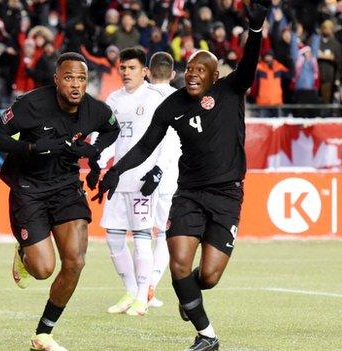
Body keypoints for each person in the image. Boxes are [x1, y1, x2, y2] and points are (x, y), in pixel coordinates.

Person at [93, 1, 271, 350]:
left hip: (226, 195)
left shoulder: (231, 90)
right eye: (189, 69)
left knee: (208, 276)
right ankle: (207, 335)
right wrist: (115, 170)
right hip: (188, 193)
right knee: (178, 265)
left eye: (200, 70)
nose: (191, 74)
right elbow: (145, 146)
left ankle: (188, 295)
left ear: (214, 76)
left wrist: (255, 29)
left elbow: (249, 62)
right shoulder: (172, 105)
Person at [0, 52, 119, 351]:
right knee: (43, 270)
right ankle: (24, 253)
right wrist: (32, 147)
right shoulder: (30, 104)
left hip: (66, 188)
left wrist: (94, 149)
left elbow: (112, 128)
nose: (76, 84)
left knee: (76, 261)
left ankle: (43, 333)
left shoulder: (95, 110)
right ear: (57, 79)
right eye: (69, 77)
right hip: (29, 188)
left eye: (81, 79)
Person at [94, 47, 166, 317]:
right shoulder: (113, 99)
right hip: (118, 179)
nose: (125, 72)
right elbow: (107, 138)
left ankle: (142, 296)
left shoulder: (155, 98)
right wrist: (98, 165)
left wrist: (158, 170)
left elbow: (167, 138)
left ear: (145, 71)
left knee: (142, 238)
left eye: (131, 68)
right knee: (113, 238)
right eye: (122, 68)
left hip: (143, 180)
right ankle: (130, 291)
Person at [147, 52, 179, 308]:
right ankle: (151, 286)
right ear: (173, 74)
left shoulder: (139, 96)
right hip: (169, 175)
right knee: (165, 234)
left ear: (147, 71)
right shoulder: (179, 99)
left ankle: (137, 288)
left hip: (139, 174)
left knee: (140, 233)